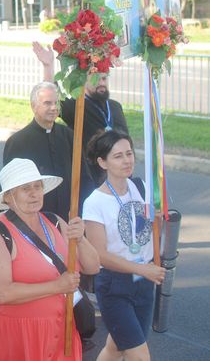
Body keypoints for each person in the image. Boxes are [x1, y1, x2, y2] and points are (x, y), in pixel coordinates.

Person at [0, 158, 100, 360]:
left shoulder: (55, 221)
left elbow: (93, 266)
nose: (34, 193)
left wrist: (80, 239)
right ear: (8, 197)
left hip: (63, 328)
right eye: (25, 188)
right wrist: (57, 286)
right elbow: (1, 293)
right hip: (19, 334)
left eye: (37, 186)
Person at [82, 131, 165, 361]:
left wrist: (158, 219)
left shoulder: (143, 187)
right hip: (114, 286)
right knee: (139, 355)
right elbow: (99, 254)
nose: (127, 160)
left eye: (129, 153)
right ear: (102, 162)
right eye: (118, 156)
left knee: (116, 347)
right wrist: (141, 269)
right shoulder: (94, 202)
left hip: (144, 282)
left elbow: (152, 234)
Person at [3, 81, 94, 218]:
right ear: (34, 106)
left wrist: (83, 209)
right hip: (34, 217)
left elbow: (84, 176)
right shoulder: (17, 142)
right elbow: (10, 188)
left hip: (69, 215)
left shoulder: (69, 135)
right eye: (47, 103)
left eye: (56, 103)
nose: (53, 107)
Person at [33, 41, 129, 150]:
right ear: (83, 80)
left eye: (104, 78)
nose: (102, 83)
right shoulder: (76, 107)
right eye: (96, 79)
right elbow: (51, 98)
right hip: (89, 166)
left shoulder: (115, 106)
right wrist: (48, 66)